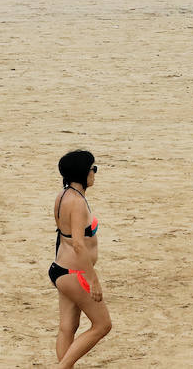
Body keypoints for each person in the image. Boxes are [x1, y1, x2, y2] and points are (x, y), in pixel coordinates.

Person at [50, 150, 111, 368]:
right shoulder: (76, 202)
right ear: (83, 173)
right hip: (75, 273)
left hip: (60, 269)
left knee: (68, 326)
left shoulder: (63, 195)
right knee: (102, 325)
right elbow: (77, 244)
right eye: (93, 169)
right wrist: (92, 278)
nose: (94, 173)